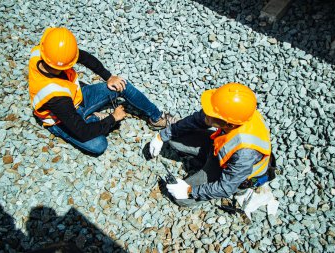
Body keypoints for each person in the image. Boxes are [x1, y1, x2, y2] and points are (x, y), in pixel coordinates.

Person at [28, 27, 176, 155]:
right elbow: (82, 132)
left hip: (76, 96)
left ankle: (156, 118)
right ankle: (91, 118)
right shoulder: (54, 95)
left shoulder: (47, 52)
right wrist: (113, 118)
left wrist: (109, 77)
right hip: (58, 119)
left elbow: (85, 58)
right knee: (99, 145)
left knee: (122, 85)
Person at [149, 83, 272, 206]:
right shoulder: (237, 113)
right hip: (220, 148)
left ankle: (232, 185)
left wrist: (189, 190)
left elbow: (225, 187)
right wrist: (161, 137)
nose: (205, 115)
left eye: (211, 115)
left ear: (230, 124)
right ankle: (205, 160)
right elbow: (196, 119)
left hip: (230, 170)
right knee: (173, 138)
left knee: (181, 199)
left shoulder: (245, 153)